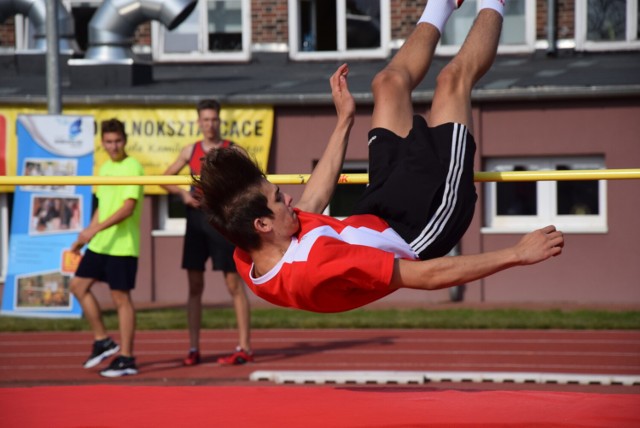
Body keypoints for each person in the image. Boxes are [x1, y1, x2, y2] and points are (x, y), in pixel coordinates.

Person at [194, 0, 565, 313]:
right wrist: (516, 253)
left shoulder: (251, 255)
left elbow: (314, 200)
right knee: (452, 81)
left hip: (375, 211)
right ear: (262, 225)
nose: (288, 197)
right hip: (421, 227)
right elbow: (428, 276)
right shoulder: (318, 266)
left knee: (387, 83)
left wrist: (345, 121)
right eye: (278, 200)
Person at [162, 99, 253, 366]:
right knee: (195, 286)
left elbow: (253, 179)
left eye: (214, 119)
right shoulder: (190, 149)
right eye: (205, 120)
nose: (210, 124)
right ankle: (193, 348)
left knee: (233, 284)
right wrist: (182, 195)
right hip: (196, 221)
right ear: (199, 122)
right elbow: (164, 178)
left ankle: (245, 346)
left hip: (221, 221)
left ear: (219, 121)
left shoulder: (232, 149)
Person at [70, 118, 144, 377]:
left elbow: (127, 208)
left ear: (125, 140)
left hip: (122, 245)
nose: (114, 146)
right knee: (77, 286)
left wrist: (93, 230)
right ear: (102, 143)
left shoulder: (133, 166)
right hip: (101, 242)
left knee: (121, 299)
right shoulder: (103, 167)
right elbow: (103, 206)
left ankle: (127, 358)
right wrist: (84, 237)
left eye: (118, 141)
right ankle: (103, 340)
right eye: (109, 142)